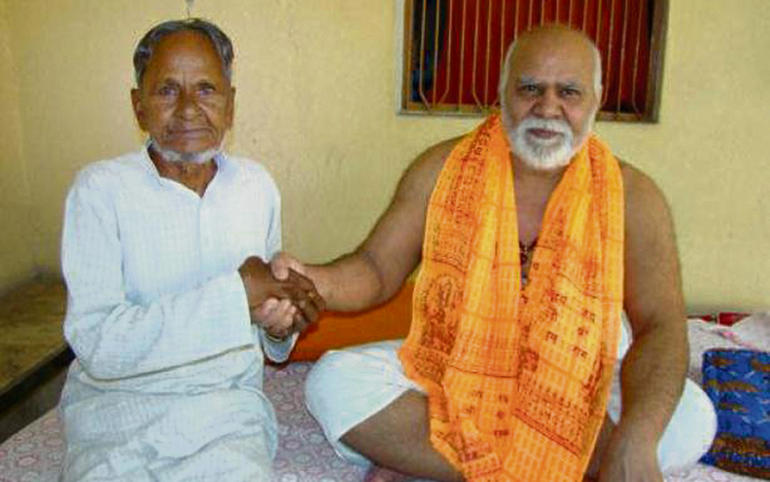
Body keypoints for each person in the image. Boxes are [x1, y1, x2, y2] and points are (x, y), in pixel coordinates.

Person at [273, 26, 716, 481]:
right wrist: (312, 281)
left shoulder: (632, 196)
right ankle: (561, 464)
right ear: (502, 95)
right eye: (530, 89)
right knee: (334, 383)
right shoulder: (443, 170)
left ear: (596, 102)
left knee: (691, 420)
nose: (548, 107)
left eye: (568, 92)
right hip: (456, 364)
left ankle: (438, 460)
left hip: (581, 376)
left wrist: (636, 439)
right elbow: (376, 269)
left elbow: (661, 325)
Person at [58, 19, 323, 481]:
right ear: (138, 107)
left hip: (225, 410)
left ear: (230, 105)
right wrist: (237, 293)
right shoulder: (100, 191)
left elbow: (268, 337)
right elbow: (97, 343)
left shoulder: (256, 186)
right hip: (117, 411)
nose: (187, 109)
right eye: (166, 90)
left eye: (206, 89)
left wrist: (280, 325)